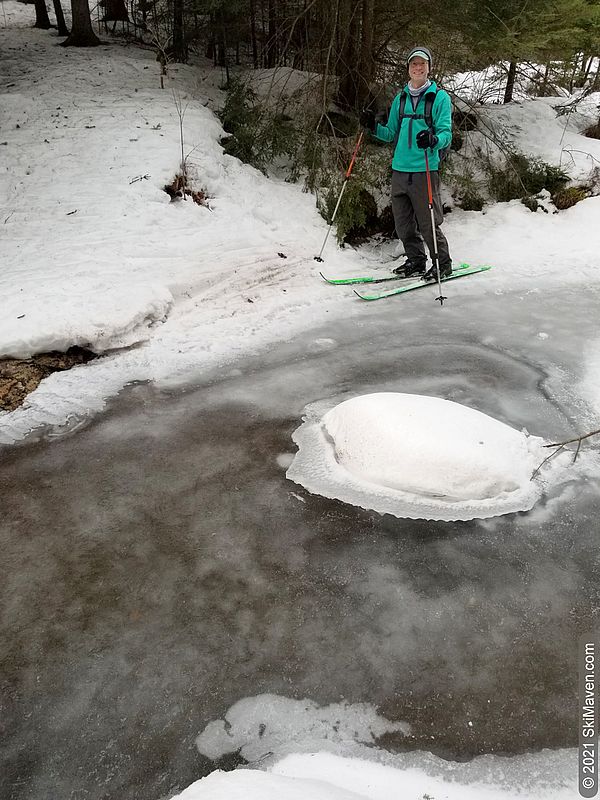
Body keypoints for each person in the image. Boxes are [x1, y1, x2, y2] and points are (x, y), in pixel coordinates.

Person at [361, 46, 453, 282]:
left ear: (429, 68)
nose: (418, 68)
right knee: (402, 224)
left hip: (424, 169)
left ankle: (442, 264)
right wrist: (372, 127)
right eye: (414, 64)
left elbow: (446, 134)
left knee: (428, 222)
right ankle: (415, 260)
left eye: (422, 64)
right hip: (400, 170)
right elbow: (391, 133)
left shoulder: (439, 98)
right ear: (409, 68)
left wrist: (433, 139)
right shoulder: (400, 99)